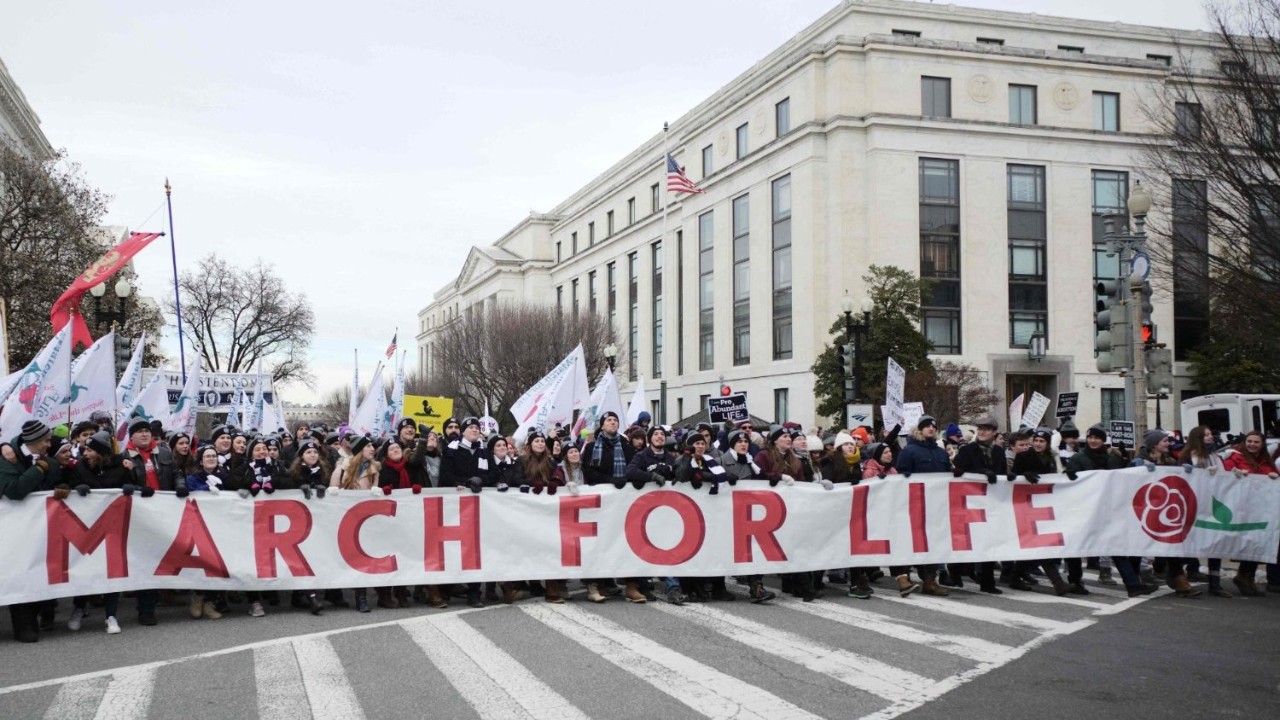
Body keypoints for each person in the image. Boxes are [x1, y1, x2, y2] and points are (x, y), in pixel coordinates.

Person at [0, 421, 61, 642]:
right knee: (19, 573)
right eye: (45, 440)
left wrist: (64, 487)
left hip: (42, 527)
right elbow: (14, 490)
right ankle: (24, 626)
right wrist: (38, 470)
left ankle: (40, 616)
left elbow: (58, 481)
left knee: (39, 571)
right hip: (14, 530)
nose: (49, 444)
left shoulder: (49, 460)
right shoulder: (7, 460)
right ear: (32, 441)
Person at [68, 430, 133, 634]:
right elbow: (66, 485)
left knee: (112, 570)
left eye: (89, 450)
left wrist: (132, 485)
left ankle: (111, 615)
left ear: (101, 452)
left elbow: (137, 485)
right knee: (85, 569)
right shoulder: (80, 468)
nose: (85, 453)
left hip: (113, 527)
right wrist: (75, 488)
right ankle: (79, 608)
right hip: (87, 528)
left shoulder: (122, 466)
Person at [1138, 429, 1201, 599]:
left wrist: (1187, 473)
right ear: (1154, 444)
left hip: (1167, 509)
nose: (1169, 443)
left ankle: (1179, 579)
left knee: (1173, 543)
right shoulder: (1139, 461)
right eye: (1165, 441)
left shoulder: (1171, 462)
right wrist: (1140, 469)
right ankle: (1142, 575)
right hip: (1146, 510)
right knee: (1141, 546)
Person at [892, 416, 950, 598]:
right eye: (927, 426)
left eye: (934, 426)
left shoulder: (941, 453)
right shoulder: (909, 451)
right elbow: (901, 476)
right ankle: (904, 577)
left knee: (933, 541)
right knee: (908, 540)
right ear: (920, 429)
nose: (931, 429)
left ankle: (930, 580)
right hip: (913, 505)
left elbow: (947, 476)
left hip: (935, 505)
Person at [949, 416, 1007, 595]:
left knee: (988, 540)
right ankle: (955, 571)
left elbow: (1002, 473)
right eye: (980, 428)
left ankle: (987, 581)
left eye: (986, 429)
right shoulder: (968, 450)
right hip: (970, 502)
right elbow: (958, 471)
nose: (982, 432)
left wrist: (1009, 478)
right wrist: (981, 473)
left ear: (994, 432)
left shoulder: (999, 452)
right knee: (967, 539)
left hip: (990, 502)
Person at [1224, 431, 1280, 597]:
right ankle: (1244, 575)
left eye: (1256, 442)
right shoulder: (1234, 457)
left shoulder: (1266, 461)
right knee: (1249, 541)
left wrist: (1274, 477)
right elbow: (1224, 476)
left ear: (1262, 444)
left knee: (1257, 542)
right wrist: (1234, 473)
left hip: (1261, 509)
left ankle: (1247, 576)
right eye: (1250, 441)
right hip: (1242, 507)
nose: (1252, 444)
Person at [330, 435, 380, 612]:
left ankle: (361, 596)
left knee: (362, 556)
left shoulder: (374, 469)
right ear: (359, 450)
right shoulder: (343, 468)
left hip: (365, 519)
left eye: (372, 446)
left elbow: (375, 491)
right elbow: (332, 492)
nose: (372, 449)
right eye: (368, 446)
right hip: (345, 518)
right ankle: (335, 592)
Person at [1182, 426, 1233, 598]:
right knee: (1190, 542)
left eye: (1211, 434)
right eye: (1206, 435)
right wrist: (1201, 473)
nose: (1210, 437)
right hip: (1195, 505)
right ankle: (1182, 573)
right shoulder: (1188, 456)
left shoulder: (1215, 456)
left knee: (1215, 544)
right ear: (1197, 437)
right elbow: (1183, 478)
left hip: (1214, 503)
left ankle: (1215, 583)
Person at [183, 446, 230, 620]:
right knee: (201, 562)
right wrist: (205, 489)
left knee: (217, 564)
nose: (211, 458)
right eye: (207, 456)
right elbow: (189, 493)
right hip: (200, 525)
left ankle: (210, 602)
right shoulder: (193, 478)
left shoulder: (225, 476)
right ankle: (198, 597)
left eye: (214, 456)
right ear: (201, 461)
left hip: (221, 526)